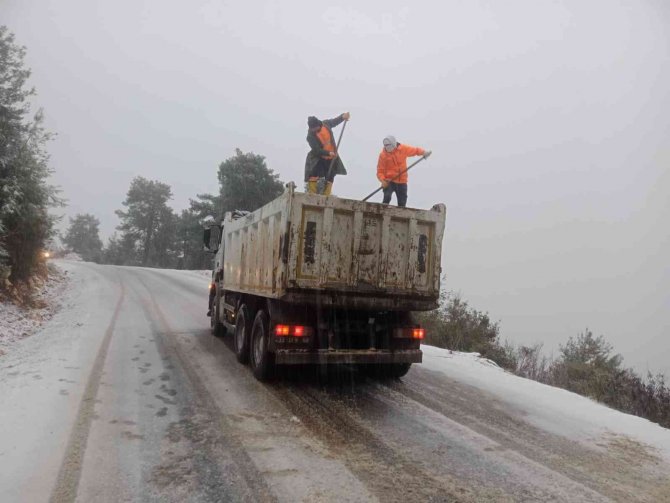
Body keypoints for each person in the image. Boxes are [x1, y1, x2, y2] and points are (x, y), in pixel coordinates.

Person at [376, 135, 431, 207]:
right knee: (387, 197)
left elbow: (415, 150)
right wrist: (383, 181)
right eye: (386, 146)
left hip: (402, 181)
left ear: (394, 144)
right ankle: (382, 212)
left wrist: (424, 152)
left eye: (389, 146)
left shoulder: (402, 149)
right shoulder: (383, 155)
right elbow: (380, 171)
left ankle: (401, 216)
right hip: (389, 181)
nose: (388, 148)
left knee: (402, 202)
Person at [304, 112, 350, 195]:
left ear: (317, 125)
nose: (312, 130)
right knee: (317, 176)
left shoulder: (325, 124)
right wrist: (328, 153)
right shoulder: (310, 136)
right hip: (319, 158)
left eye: (314, 128)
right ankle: (313, 195)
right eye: (311, 129)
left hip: (331, 158)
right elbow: (317, 150)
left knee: (330, 178)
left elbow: (334, 121)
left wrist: (342, 117)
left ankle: (326, 197)